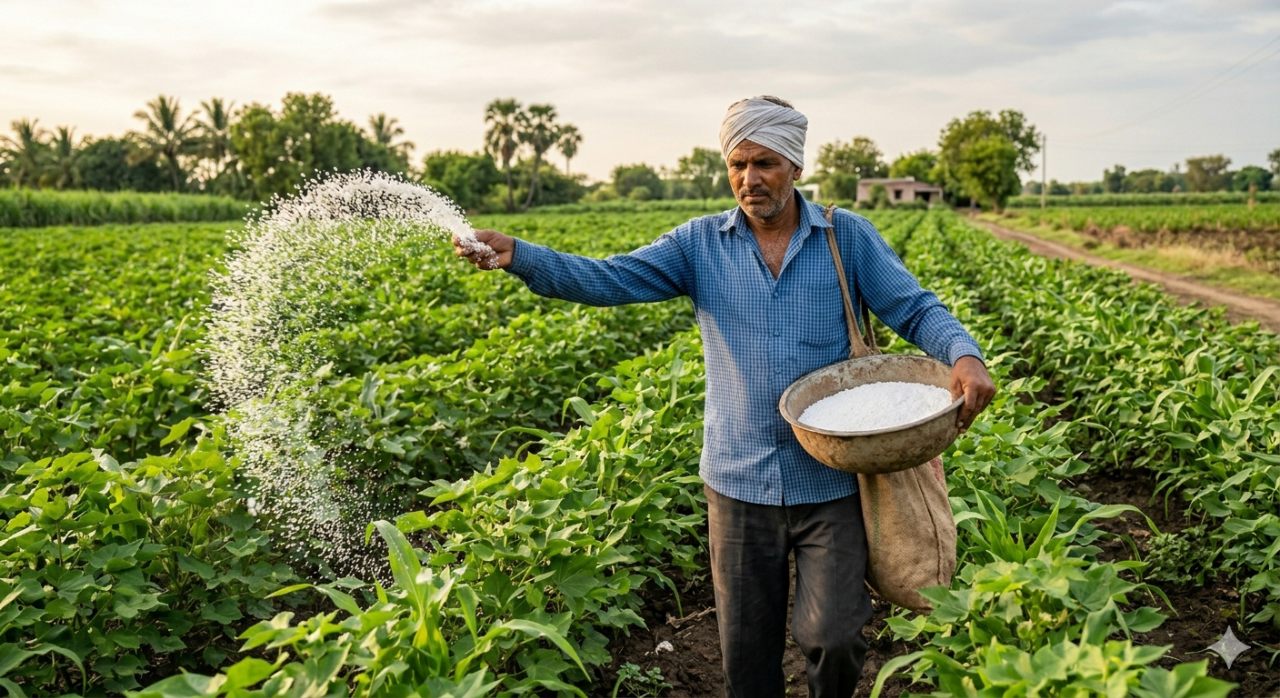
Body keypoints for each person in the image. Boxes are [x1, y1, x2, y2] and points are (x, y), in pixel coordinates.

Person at [455, 95, 995, 698]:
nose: (749, 179)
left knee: (834, 634)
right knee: (746, 653)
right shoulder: (699, 245)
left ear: (795, 167)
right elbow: (610, 277)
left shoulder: (847, 237)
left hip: (833, 479)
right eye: (738, 165)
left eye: (764, 164)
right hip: (738, 482)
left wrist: (963, 354)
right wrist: (521, 257)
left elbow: (913, 306)